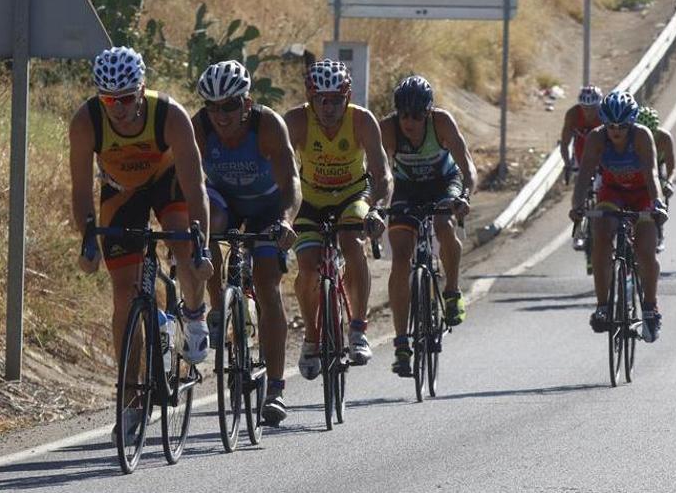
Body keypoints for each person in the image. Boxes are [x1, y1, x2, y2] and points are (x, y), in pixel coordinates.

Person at [69, 46, 213, 442]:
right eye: (109, 99)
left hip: (168, 184)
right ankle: (132, 399)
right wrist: (87, 240)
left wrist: (200, 241)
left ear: (141, 90)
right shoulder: (87, 121)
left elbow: (195, 183)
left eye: (126, 98)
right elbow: (81, 190)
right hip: (121, 193)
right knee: (123, 297)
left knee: (184, 244)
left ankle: (196, 314)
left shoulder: (170, 115)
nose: (117, 107)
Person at [193, 60, 301, 424]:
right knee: (207, 223)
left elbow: (292, 184)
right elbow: (185, 180)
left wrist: (286, 220)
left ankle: (275, 387)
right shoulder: (200, 127)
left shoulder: (267, 125)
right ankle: (217, 307)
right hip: (225, 202)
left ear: (247, 103)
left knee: (268, 284)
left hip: (267, 207)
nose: (220, 115)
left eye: (229, 106)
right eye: (212, 106)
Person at [283, 59, 392, 380]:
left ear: (348, 96)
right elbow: (279, 167)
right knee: (306, 264)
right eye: (321, 99)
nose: (329, 107)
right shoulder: (296, 121)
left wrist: (377, 208)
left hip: (352, 196)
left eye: (337, 99)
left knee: (351, 241)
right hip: (310, 199)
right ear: (310, 97)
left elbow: (382, 173)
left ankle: (358, 328)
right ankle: (311, 338)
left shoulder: (362, 120)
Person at [379, 75, 477, 377]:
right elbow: (377, 171)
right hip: (407, 190)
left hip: (444, 184)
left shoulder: (442, 123)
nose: (409, 122)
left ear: (428, 112)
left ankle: (451, 292)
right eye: (404, 114)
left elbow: (467, 165)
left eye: (417, 115)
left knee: (444, 224)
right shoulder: (388, 129)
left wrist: (464, 195)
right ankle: (401, 343)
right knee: (400, 257)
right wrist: (376, 205)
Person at [569, 91, 667, 343]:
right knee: (601, 236)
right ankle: (602, 306)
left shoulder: (642, 136)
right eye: (611, 126)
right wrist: (577, 205)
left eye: (622, 126)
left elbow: (652, 173)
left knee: (646, 251)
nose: (616, 131)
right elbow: (584, 176)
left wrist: (658, 203)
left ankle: (650, 308)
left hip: (643, 194)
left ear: (631, 123)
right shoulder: (597, 138)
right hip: (612, 193)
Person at [560, 85, 604, 250]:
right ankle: (578, 229)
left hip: (601, 155)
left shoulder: (605, 115)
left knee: (603, 187)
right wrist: (568, 164)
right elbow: (565, 143)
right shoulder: (572, 115)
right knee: (580, 187)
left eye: (592, 108)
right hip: (581, 155)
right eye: (585, 108)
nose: (588, 112)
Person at [635, 106, 675, 253]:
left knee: (659, 192)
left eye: (652, 133)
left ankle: (659, 231)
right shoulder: (634, 136)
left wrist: (669, 183)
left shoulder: (664, 138)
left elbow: (672, 168)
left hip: (657, 167)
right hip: (638, 168)